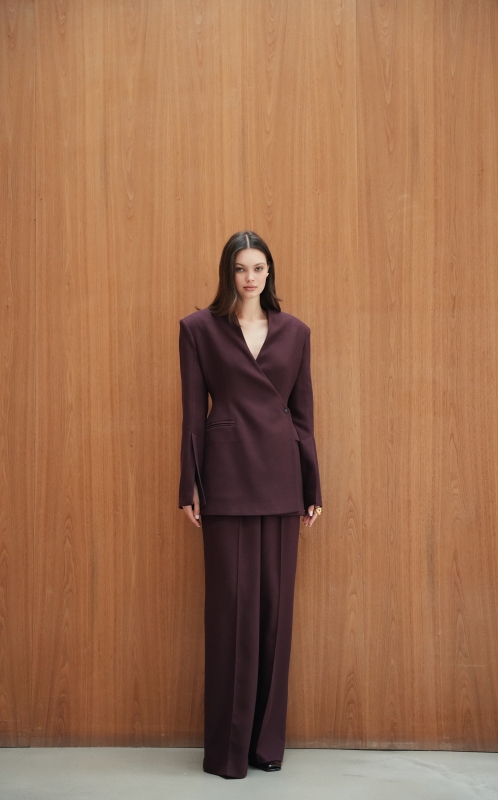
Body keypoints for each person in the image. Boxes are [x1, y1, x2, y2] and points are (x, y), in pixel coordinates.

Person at [178, 230, 322, 779]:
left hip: (282, 480)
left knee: (274, 614)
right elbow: (193, 413)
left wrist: (312, 487)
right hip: (227, 478)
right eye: (240, 268)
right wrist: (189, 485)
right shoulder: (198, 329)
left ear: (269, 272)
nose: (249, 277)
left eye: (258, 267)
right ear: (228, 273)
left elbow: (303, 415)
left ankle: (266, 746)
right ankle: (227, 750)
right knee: (230, 611)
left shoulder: (296, 332)